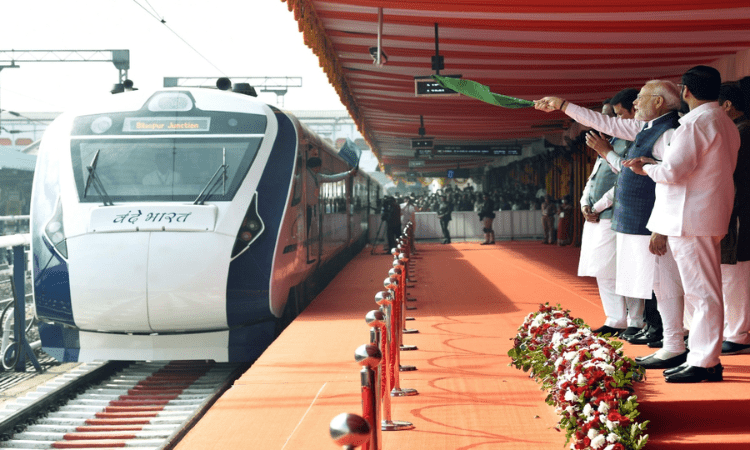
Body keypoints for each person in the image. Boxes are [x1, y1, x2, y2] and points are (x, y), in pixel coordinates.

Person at [535, 79, 683, 367]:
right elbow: (602, 122)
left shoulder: (671, 132)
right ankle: (671, 342)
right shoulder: (645, 128)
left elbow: (673, 183)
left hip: (651, 221)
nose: (636, 102)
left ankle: (675, 343)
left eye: (641, 97)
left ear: (659, 103)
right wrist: (563, 105)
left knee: (665, 283)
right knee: (653, 283)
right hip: (635, 220)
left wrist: (660, 227)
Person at [625, 65, 741, 383]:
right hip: (705, 214)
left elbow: (674, 174)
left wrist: (645, 169)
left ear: (686, 91)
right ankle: (700, 357)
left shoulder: (694, 123)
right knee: (701, 291)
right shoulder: (723, 121)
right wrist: (655, 165)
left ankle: (705, 361)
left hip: (690, 217)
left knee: (702, 293)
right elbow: (691, 169)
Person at [576, 90, 644, 338]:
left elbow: (625, 181)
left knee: (626, 269)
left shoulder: (630, 141)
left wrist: (598, 206)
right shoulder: (611, 141)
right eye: (605, 117)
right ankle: (615, 318)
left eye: (614, 115)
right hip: (597, 216)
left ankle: (635, 320)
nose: (606, 122)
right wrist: (584, 203)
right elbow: (594, 179)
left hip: (616, 215)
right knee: (602, 269)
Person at [717, 83, 750, 355]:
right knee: (731, 273)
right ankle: (734, 329)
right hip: (735, 209)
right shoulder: (738, 131)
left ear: (727, 105)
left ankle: (738, 334)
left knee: (734, 273)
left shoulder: (742, 133)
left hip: (738, 211)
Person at [306, 156, 358, 262]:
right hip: (305, 208)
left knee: (309, 232)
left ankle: (310, 254)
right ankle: (307, 255)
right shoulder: (304, 176)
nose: (320, 169)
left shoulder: (317, 176)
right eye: (319, 167)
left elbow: (332, 178)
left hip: (311, 208)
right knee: (307, 232)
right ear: (316, 167)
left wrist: (348, 173)